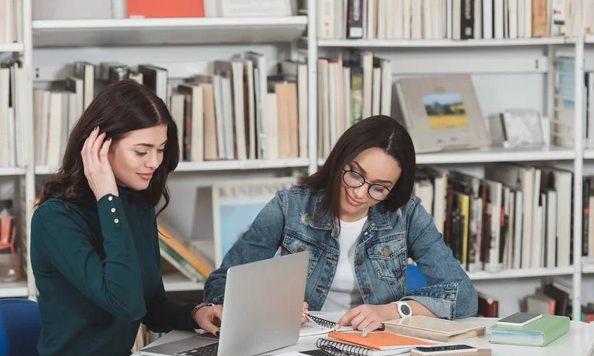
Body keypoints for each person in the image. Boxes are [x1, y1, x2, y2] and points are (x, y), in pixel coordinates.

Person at [196, 115, 477, 336]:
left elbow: (463, 296)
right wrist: (267, 307)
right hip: (297, 344)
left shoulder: (407, 215)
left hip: (375, 345)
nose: (359, 193)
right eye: (356, 175)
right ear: (340, 160)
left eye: (378, 188)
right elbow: (223, 283)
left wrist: (392, 311)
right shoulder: (289, 207)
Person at [29, 80, 206, 356]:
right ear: (100, 147)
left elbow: (151, 307)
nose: (154, 162)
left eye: (161, 149)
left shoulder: (137, 207)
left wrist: (197, 313)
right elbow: (125, 305)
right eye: (141, 151)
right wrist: (107, 198)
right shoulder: (55, 218)